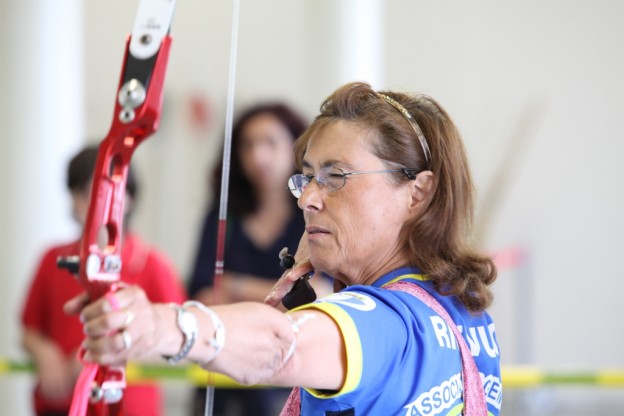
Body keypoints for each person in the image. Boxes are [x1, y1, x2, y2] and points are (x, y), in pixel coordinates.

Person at [66, 82, 502, 415]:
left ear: (417, 193)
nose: (307, 198)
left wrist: (159, 326)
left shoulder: (388, 321)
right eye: (307, 176)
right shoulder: (460, 310)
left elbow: (280, 345)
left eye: (337, 176)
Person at [21, 146, 187, 416]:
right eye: (84, 193)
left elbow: (178, 339)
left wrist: (108, 352)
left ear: (128, 197)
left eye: (105, 193)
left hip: (127, 406)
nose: (92, 203)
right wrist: (44, 352)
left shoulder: (152, 264)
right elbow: (30, 330)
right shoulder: (53, 258)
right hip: (59, 403)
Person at [189, 103, 330, 415]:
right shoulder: (221, 218)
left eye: (270, 142)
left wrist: (235, 286)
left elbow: (321, 297)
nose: (258, 156)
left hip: (291, 380)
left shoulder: (311, 217)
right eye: (248, 145)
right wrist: (281, 298)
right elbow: (202, 297)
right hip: (221, 378)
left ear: (296, 149)